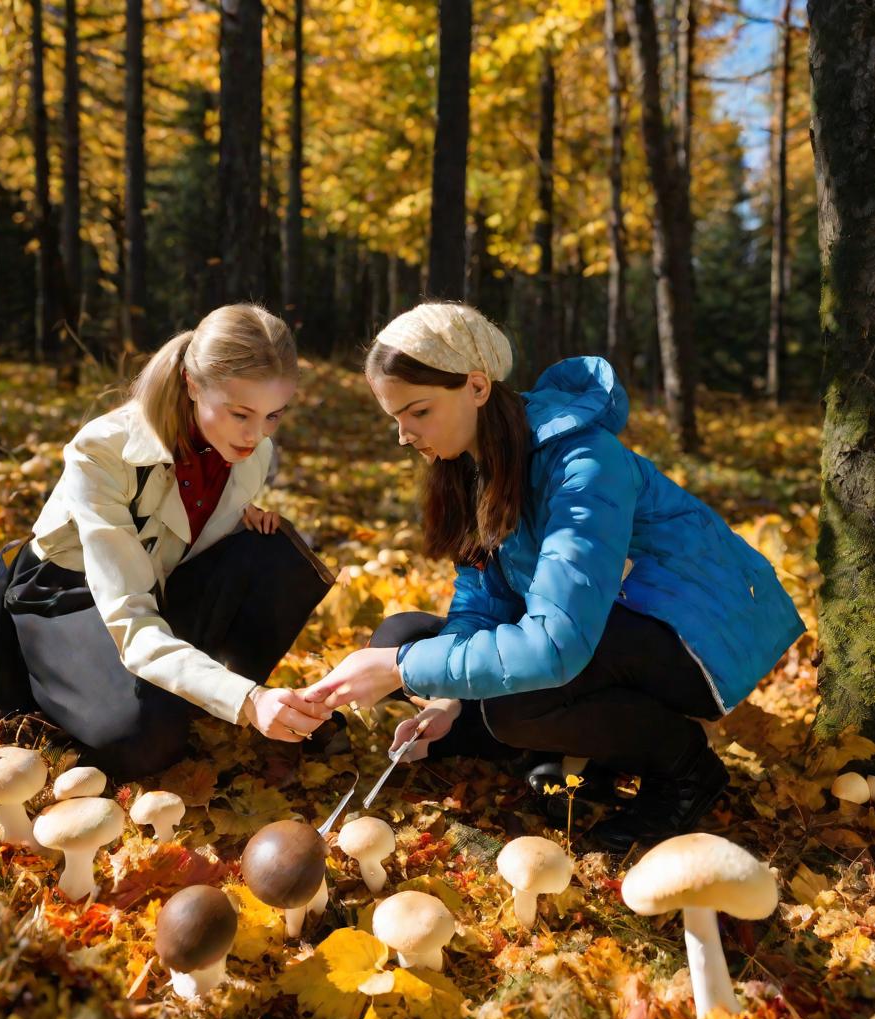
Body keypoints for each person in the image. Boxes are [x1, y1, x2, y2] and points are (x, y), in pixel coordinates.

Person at [301, 302, 805, 851]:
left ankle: (684, 767)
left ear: (475, 386)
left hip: (693, 635)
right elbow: (480, 600)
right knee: (400, 635)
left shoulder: (585, 463)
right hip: (601, 624)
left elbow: (556, 646)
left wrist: (405, 671)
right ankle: (564, 749)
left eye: (417, 412)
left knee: (508, 700)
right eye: (395, 419)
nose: (404, 436)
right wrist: (441, 695)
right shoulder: (470, 464)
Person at [0, 304, 334, 778]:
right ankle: (54, 689)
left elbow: (182, 531)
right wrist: (246, 698)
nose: (256, 434)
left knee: (274, 553)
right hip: (70, 595)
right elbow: (131, 616)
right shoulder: (101, 450)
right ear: (192, 384)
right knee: (143, 740)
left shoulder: (254, 452)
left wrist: (239, 523)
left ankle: (199, 702)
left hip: (156, 585)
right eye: (241, 413)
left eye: (273, 416)